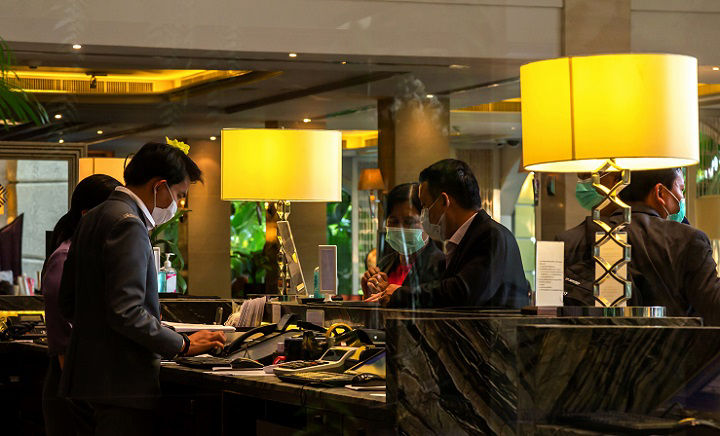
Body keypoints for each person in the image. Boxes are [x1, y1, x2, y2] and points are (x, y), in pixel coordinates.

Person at [58, 142, 226, 435]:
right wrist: (182, 344)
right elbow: (127, 311)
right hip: (122, 382)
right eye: (179, 195)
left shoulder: (94, 216)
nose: (178, 204)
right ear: (159, 186)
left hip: (88, 379)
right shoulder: (129, 224)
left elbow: (68, 301)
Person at [557, 168, 720, 323]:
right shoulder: (688, 241)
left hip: (587, 349)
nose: (681, 197)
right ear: (660, 192)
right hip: (672, 351)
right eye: (681, 190)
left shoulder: (569, 240)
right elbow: (713, 310)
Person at [367, 159, 530, 308]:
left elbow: (462, 292)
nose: (425, 215)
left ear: (444, 201)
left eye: (425, 206)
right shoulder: (467, 238)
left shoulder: (490, 236)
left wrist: (400, 295)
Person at [41, 174, 122, 436]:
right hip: (73, 385)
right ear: (88, 214)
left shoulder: (93, 253)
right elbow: (65, 337)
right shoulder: (65, 257)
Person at [361, 183, 444, 306]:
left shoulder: (441, 266)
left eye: (409, 222)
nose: (400, 229)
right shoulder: (385, 264)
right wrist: (369, 295)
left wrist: (395, 298)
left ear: (428, 221)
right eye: (393, 221)